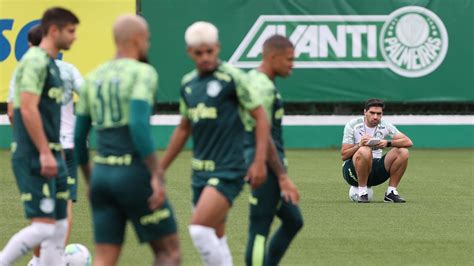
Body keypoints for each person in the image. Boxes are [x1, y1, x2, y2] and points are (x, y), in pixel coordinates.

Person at [159, 21, 269, 266]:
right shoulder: (188, 84)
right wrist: (160, 168)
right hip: (199, 171)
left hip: (229, 168)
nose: (205, 57)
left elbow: (261, 117)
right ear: (190, 52)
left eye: (209, 51)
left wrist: (259, 161)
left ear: (217, 48)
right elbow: (184, 127)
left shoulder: (232, 78)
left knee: (199, 230)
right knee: (217, 236)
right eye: (199, 53)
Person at [74, 14, 180, 266]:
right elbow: (138, 125)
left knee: (104, 258)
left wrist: (90, 180)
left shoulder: (93, 77)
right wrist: (156, 173)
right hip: (132, 173)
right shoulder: (143, 73)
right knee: (168, 253)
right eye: (148, 39)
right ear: (137, 39)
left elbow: (78, 139)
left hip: (102, 175)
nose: (149, 44)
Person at [0, 7, 79, 266]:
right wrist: (44, 151)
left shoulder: (53, 67)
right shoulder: (34, 62)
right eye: (71, 31)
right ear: (53, 31)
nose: (74, 37)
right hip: (36, 155)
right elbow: (27, 108)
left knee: (59, 225)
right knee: (44, 227)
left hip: (54, 154)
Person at [244, 35, 303, 266]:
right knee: (259, 229)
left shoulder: (259, 81)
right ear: (272, 57)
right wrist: (281, 175)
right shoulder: (262, 86)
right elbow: (263, 134)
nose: (292, 64)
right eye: (289, 59)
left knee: (293, 220)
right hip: (265, 166)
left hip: (266, 163)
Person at [341, 98, 413, 203]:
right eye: (372, 113)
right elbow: (344, 155)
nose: (375, 117)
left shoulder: (385, 125)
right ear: (365, 112)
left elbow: (408, 142)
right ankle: (362, 192)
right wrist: (359, 145)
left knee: (403, 152)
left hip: (375, 171)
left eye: (379, 114)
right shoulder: (353, 125)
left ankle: (391, 193)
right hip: (352, 172)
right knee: (365, 150)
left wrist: (388, 143)